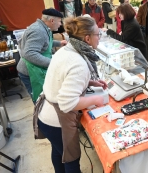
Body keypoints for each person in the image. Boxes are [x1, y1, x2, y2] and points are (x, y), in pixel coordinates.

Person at [37, 16, 107, 173]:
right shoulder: (78, 62)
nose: (99, 37)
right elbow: (66, 103)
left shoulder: (68, 49)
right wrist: (96, 99)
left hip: (46, 115)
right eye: (98, 34)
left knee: (59, 152)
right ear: (87, 38)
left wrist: (90, 82)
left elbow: (64, 77)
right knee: (70, 159)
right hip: (56, 122)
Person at [17, 8, 67, 102]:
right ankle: (40, 116)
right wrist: (53, 63)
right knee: (40, 100)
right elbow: (29, 53)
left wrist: (59, 43)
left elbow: (44, 42)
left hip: (36, 68)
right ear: (52, 20)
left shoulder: (43, 28)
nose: (60, 24)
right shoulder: (38, 31)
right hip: (30, 72)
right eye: (60, 21)